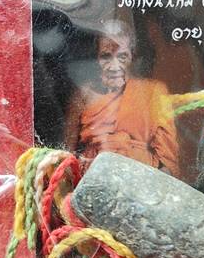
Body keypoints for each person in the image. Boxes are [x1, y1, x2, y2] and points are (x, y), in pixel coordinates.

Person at [65, 20, 179, 175]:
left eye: (122, 56)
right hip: (93, 177)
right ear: (96, 58)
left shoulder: (153, 91)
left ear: (132, 56)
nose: (114, 66)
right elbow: (67, 155)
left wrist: (150, 185)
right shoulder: (83, 94)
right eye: (106, 56)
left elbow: (167, 160)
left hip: (139, 176)